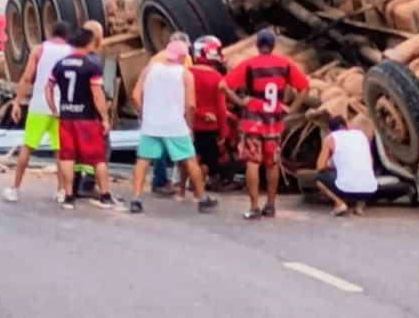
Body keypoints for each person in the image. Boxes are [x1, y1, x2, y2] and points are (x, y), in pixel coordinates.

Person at [219, 29, 310, 220]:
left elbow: (222, 86)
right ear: (274, 46)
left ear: (258, 46)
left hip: (253, 121)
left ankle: (254, 208)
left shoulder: (249, 65)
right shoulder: (285, 65)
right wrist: (292, 108)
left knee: (253, 162)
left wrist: (239, 101)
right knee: (272, 163)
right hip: (274, 121)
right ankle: (270, 206)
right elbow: (304, 87)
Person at [129, 39, 218, 213]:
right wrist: (189, 126)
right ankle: (202, 198)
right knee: (190, 160)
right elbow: (191, 105)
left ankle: (136, 199)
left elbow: (135, 95)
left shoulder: (149, 69)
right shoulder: (185, 74)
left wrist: (143, 113)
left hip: (151, 124)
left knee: (143, 161)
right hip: (175, 125)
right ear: (183, 56)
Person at [44, 28, 117, 210]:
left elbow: (48, 86)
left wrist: (54, 108)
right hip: (86, 118)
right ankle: (105, 196)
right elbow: (97, 94)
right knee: (97, 159)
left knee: (67, 157)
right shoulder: (91, 65)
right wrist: (105, 118)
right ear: (89, 43)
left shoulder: (60, 64)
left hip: (66, 116)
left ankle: (69, 196)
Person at [3, 21, 74, 203]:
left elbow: (27, 77)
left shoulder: (39, 50)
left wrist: (17, 102)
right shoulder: (72, 52)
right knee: (60, 151)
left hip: (40, 105)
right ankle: (61, 191)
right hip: (61, 107)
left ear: (51, 33)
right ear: (66, 35)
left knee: (28, 146)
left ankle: (16, 188)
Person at [175, 35, 229, 198]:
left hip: (188, 123)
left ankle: (182, 190)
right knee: (208, 161)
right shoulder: (216, 77)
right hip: (209, 128)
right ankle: (198, 188)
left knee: (187, 158)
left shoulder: (185, 73)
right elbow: (221, 107)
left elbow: (181, 100)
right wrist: (223, 131)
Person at [152, 31, 193, 195]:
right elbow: (186, 84)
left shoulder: (156, 58)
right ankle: (174, 182)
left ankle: (160, 180)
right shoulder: (185, 59)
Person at [314, 115, 378, 216]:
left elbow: (320, 167)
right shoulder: (361, 135)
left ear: (329, 130)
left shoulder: (330, 138)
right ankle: (359, 207)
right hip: (370, 190)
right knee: (362, 171)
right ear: (346, 125)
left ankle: (340, 204)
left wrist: (331, 165)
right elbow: (371, 163)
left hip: (345, 190)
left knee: (319, 179)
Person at [72, 21, 106, 196]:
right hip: (89, 113)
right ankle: (90, 183)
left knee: (75, 150)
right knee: (100, 149)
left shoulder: (69, 58)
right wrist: (105, 117)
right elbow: (97, 93)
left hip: (70, 111)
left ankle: (74, 184)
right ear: (97, 39)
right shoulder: (93, 61)